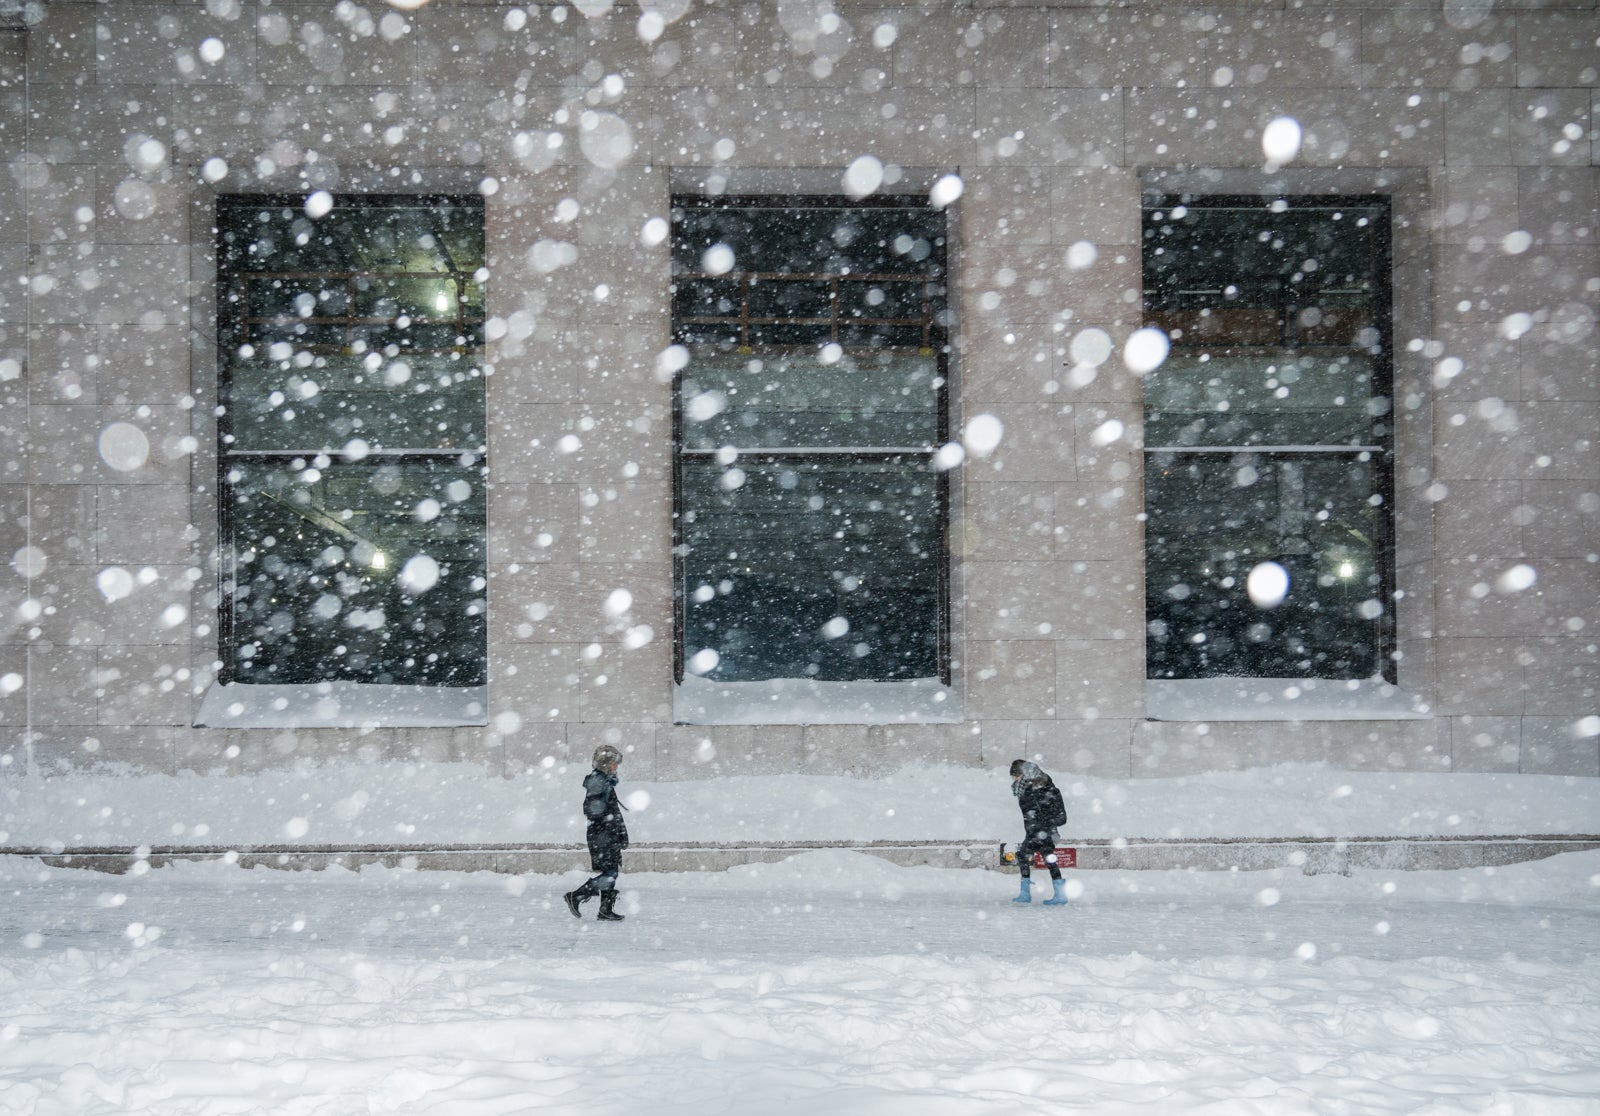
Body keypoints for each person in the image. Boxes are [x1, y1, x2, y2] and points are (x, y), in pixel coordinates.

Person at [563, 745, 629, 922]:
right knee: (610, 873)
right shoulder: (598, 782)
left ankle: (605, 910)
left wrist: (621, 832)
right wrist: (609, 827)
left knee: (611, 870)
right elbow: (592, 809)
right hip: (602, 836)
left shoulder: (605, 781)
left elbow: (613, 812)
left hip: (607, 834)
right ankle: (576, 896)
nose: (616, 766)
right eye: (614, 763)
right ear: (605, 764)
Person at [1010, 759, 1069, 906]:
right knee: (1043, 859)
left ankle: (1029, 894)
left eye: (1016, 776)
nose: (1015, 780)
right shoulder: (1027, 788)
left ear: (1024, 774)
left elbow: (1056, 815)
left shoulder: (1042, 789)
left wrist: (1041, 827)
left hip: (1042, 831)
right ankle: (1057, 895)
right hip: (1035, 831)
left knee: (1035, 857)